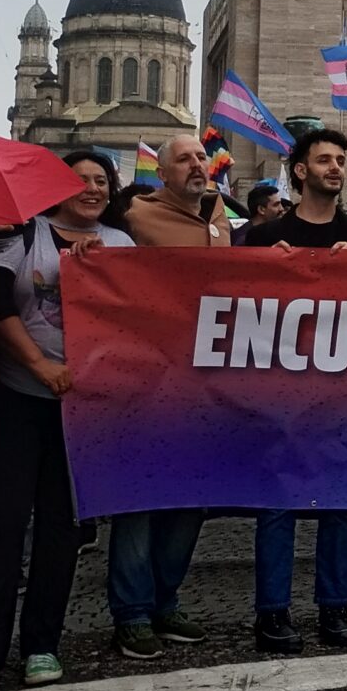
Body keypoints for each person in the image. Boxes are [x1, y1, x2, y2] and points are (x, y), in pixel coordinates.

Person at [0, 150, 131, 691]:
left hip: (83, 408)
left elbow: (136, 314)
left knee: (61, 530)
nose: (92, 188)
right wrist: (38, 364)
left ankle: (42, 645)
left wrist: (96, 268)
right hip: (19, 398)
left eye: (102, 180)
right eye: (80, 179)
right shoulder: (20, 233)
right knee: (4, 525)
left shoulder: (121, 246)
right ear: (56, 187)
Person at [242, 129, 347, 653]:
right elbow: (236, 310)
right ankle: (272, 612)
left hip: (344, 391)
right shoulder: (263, 238)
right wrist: (266, 274)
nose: (335, 168)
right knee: (276, 502)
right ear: (299, 170)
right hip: (280, 391)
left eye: (341, 160)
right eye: (323, 159)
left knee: (340, 502)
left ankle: (334, 606)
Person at [109, 133, 228, 658]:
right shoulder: (133, 219)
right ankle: (132, 612)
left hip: (204, 384)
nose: (197, 165)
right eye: (185, 159)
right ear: (162, 172)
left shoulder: (222, 217)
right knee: (139, 497)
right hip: (148, 379)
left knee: (191, 499)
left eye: (201, 157)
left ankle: (166, 600)